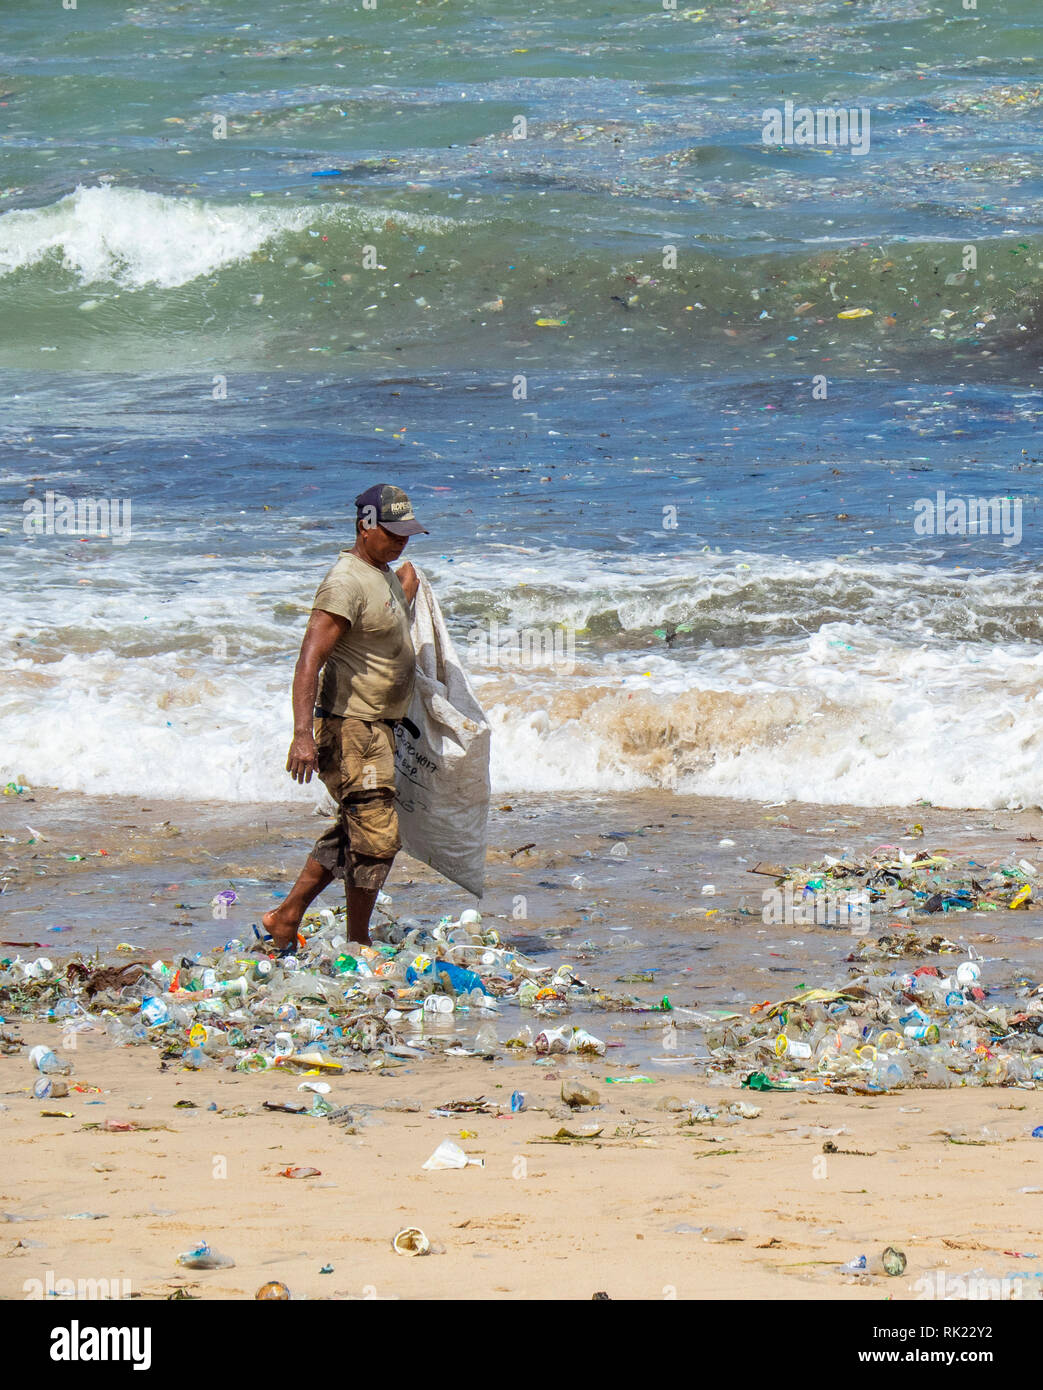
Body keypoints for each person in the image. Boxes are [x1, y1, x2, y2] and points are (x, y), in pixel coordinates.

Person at [261, 483, 427, 953]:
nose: (401, 542)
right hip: (351, 727)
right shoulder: (345, 582)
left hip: (380, 727)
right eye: (392, 533)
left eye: (407, 534)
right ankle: (357, 939)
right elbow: (309, 659)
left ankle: (286, 917)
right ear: (365, 526)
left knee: (359, 824)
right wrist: (301, 736)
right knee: (377, 837)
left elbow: (382, 631)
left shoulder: (383, 576)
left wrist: (406, 590)